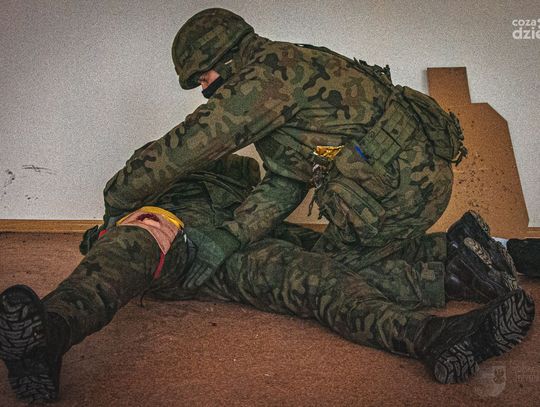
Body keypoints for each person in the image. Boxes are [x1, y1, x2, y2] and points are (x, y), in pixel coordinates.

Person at [0, 7, 535, 403]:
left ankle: (451, 286)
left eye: (203, 78)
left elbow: (193, 151)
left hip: (385, 192)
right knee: (315, 275)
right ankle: (456, 286)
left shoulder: (259, 88)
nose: (204, 91)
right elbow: (278, 178)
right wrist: (125, 222)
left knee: (325, 264)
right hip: (180, 244)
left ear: (224, 58)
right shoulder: (289, 65)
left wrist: (130, 200)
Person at [0, 154, 535, 403]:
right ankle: (49, 333)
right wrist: (133, 220)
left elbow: (301, 232)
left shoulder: (244, 188)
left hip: (234, 250)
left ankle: (445, 309)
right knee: (129, 250)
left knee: (323, 268)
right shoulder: (153, 180)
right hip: (167, 243)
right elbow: (120, 203)